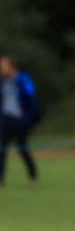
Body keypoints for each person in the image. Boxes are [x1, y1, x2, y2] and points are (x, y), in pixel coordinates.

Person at [0, 55, 40, 186]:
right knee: (2, 149)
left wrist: (27, 119)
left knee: (23, 149)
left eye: (3, 66)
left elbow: (31, 94)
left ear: (11, 66)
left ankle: (33, 176)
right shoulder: (3, 81)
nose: (1, 68)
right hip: (6, 118)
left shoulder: (23, 79)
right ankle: (1, 179)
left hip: (20, 119)